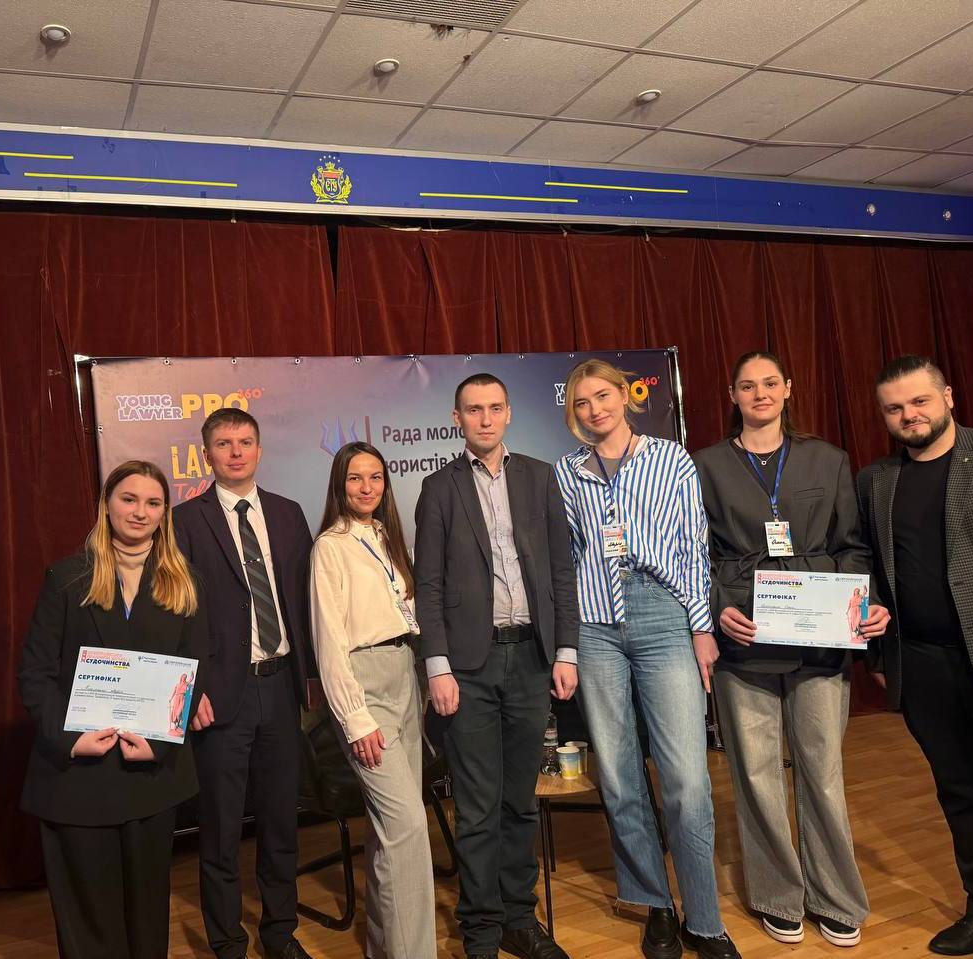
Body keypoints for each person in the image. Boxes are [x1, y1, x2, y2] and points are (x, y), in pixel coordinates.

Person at [693, 351, 890, 950]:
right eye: (747, 386)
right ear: (732, 395)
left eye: (769, 383)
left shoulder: (827, 459)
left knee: (822, 773)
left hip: (819, 638)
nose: (759, 393)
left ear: (788, 389)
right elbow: (695, 552)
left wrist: (861, 604)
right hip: (745, 638)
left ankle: (835, 898)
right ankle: (779, 896)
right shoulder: (705, 465)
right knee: (756, 777)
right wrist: (716, 606)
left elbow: (852, 546)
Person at [555, 359, 741, 959]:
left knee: (685, 777)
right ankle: (656, 904)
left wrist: (701, 626)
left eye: (602, 396)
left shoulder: (670, 459)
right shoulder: (567, 473)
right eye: (581, 403)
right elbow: (569, 557)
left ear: (625, 396)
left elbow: (692, 547)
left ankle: (704, 920)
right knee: (618, 774)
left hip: (663, 615)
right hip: (595, 626)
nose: (594, 410)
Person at [414, 373, 580, 959]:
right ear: (456, 418)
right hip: (468, 667)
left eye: (494, 408)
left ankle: (519, 917)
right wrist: (437, 666)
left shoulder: (539, 477)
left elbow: (561, 570)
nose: (484, 419)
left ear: (508, 413)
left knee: (520, 800)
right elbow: (428, 585)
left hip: (532, 657)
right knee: (478, 805)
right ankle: (481, 929)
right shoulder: (438, 488)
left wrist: (565, 650)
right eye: (473, 409)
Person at [18, 460, 207, 959]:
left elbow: (192, 673)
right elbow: (35, 674)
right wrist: (70, 739)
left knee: (147, 919)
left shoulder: (184, 582)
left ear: (164, 514)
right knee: (90, 924)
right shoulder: (67, 577)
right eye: (129, 499)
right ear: (106, 505)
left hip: (149, 775)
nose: (140, 512)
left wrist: (161, 744)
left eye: (153, 503)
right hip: (78, 777)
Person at [858, 354, 973, 957]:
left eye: (919, 401)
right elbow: (872, 567)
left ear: (949, 397)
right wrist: (875, 636)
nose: (908, 415)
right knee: (959, 791)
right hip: (922, 663)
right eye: (894, 408)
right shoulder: (877, 481)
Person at [173, 408, 316, 959]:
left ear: (259, 449)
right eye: (224, 443)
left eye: (245, 441)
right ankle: (228, 942)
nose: (236, 452)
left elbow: (306, 601)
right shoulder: (184, 521)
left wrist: (314, 677)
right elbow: (176, 612)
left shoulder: (287, 513)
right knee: (222, 829)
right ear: (206, 453)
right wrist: (192, 688)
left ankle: (279, 933)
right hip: (219, 696)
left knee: (281, 823)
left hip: (280, 689)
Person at [310, 441, 436, 959]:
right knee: (407, 827)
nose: (367, 488)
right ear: (339, 485)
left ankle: (385, 950)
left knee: (390, 834)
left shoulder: (387, 537)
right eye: (355, 478)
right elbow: (329, 643)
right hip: (364, 685)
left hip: (405, 675)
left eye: (376, 477)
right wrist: (355, 718)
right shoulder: (330, 546)